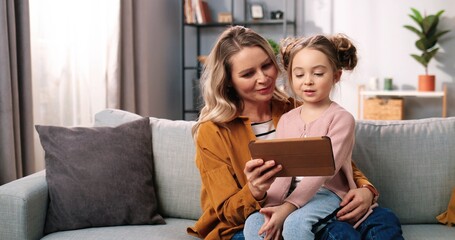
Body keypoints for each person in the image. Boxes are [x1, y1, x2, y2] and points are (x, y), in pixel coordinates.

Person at [186, 25, 402, 240]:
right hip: (245, 220)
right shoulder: (213, 131)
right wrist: (255, 191)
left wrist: (366, 190)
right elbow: (227, 212)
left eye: (266, 65)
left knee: (383, 219)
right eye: (248, 73)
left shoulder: (295, 108)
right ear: (229, 81)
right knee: (332, 231)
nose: (263, 78)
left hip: (311, 200)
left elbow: (335, 161)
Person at [243, 34, 368, 239]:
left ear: (336, 76)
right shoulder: (286, 120)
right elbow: (281, 170)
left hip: (328, 193)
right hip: (289, 193)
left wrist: (287, 208)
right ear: (291, 77)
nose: (308, 82)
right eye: (299, 75)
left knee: (295, 224)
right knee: (254, 223)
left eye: (318, 73)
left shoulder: (342, 119)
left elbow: (324, 172)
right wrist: (273, 205)